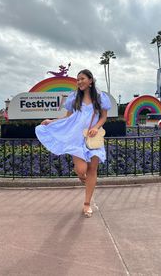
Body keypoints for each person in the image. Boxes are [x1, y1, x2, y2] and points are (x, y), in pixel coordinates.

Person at [35, 69, 111, 218]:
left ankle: (87, 204)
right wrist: (52, 122)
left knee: (92, 169)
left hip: (92, 138)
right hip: (76, 137)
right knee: (82, 169)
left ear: (90, 80)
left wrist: (96, 127)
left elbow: (103, 117)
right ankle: (80, 175)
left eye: (82, 79)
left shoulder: (100, 98)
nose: (79, 82)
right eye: (77, 80)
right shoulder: (74, 98)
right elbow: (67, 118)